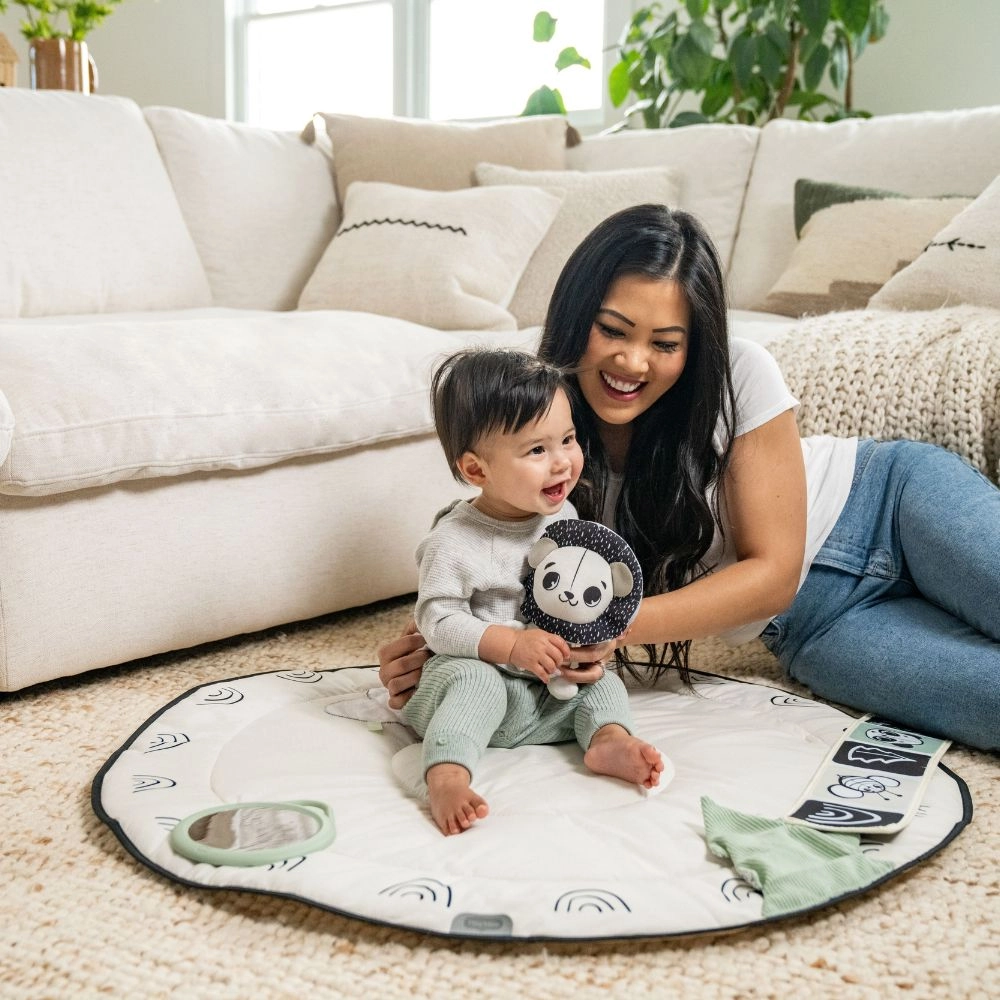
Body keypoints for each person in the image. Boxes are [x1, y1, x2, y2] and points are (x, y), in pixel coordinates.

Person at [381, 203, 1000, 754]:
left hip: (890, 502)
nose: (632, 362)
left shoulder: (738, 375)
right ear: (576, 316)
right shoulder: (540, 430)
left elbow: (773, 571)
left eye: (666, 343)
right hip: (816, 626)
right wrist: (435, 650)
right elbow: (493, 570)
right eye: (613, 330)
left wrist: (611, 625)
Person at [405, 347, 664, 836]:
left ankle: (607, 740)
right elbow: (437, 621)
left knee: (601, 684)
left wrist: (585, 646)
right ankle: (447, 774)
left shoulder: (563, 521)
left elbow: (569, 599)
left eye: (567, 439)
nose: (563, 462)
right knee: (475, 685)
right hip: (473, 683)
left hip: (538, 691)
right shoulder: (454, 541)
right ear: (477, 470)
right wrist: (510, 644)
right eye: (536, 451)